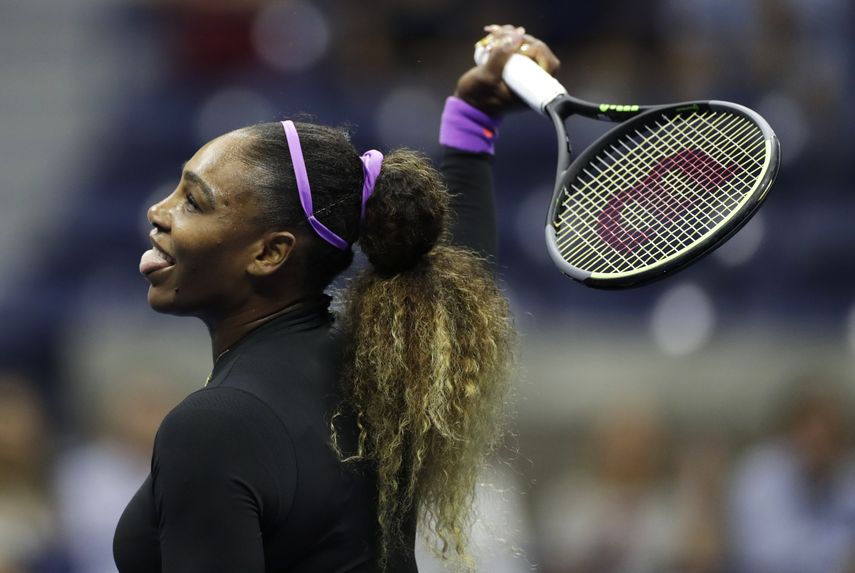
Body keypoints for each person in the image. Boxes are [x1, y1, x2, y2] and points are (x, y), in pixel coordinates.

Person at [112, 25, 559, 572]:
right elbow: (463, 274)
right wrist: (473, 119)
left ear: (270, 253)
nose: (159, 211)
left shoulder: (212, 427)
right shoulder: (385, 364)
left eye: (194, 202)